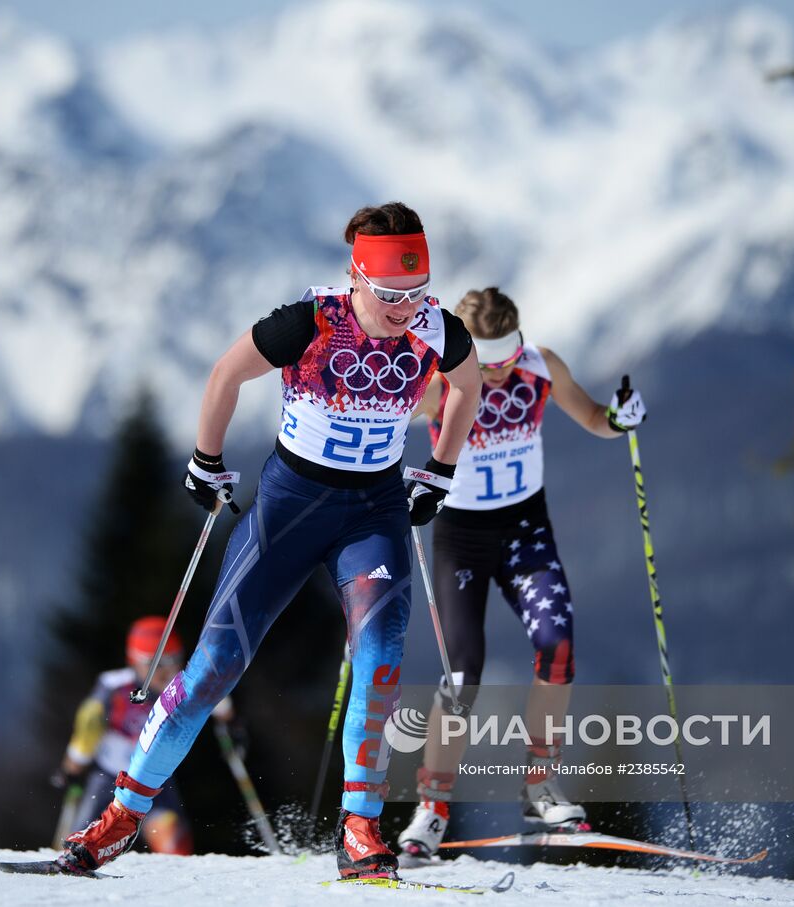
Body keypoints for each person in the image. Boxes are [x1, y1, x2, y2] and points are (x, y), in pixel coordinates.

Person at [56, 202, 482, 879]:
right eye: (389, 294)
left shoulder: (438, 329)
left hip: (371, 512)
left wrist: (440, 469)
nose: (405, 308)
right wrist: (205, 458)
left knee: (380, 657)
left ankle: (361, 829)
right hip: (289, 508)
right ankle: (120, 818)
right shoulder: (311, 321)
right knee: (213, 665)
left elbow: (469, 384)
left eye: (417, 293)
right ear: (356, 276)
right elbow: (227, 373)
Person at [396, 287, 646, 860]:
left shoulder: (541, 364)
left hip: (525, 532)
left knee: (557, 648)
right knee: (464, 676)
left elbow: (592, 418)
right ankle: (432, 807)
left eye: (507, 359)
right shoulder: (439, 380)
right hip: (461, 537)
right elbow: (385, 414)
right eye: (487, 364)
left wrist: (619, 418)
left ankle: (539, 785)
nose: (501, 373)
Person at [53, 617, 201, 855]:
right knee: (77, 842)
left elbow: (213, 694)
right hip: (108, 778)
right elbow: (89, 722)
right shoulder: (115, 686)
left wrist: (231, 722)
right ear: (135, 662)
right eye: (155, 663)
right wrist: (74, 765)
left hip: (154, 779)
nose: (166, 671)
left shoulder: (181, 687)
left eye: (174, 659)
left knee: (173, 840)